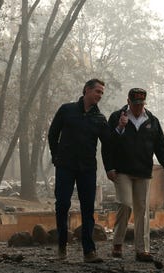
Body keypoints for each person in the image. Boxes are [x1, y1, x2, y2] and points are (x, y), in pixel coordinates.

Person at [103, 88, 164, 262]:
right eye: (135, 104)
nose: (138, 107)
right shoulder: (116, 117)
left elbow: (160, 145)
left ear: (145, 103)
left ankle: (142, 249)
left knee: (142, 210)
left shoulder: (152, 120)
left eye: (141, 104)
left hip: (143, 170)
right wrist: (109, 167)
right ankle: (117, 243)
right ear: (128, 101)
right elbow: (108, 144)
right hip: (122, 170)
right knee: (125, 204)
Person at [48, 78, 109, 263]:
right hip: (65, 166)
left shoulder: (100, 119)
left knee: (88, 208)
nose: (99, 95)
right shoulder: (66, 110)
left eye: (101, 93)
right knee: (62, 205)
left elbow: (109, 143)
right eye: (97, 91)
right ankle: (61, 247)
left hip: (87, 168)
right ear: (86, 90)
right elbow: (53, 133)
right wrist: (56, 156)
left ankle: (89, 251)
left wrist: (121, 127)